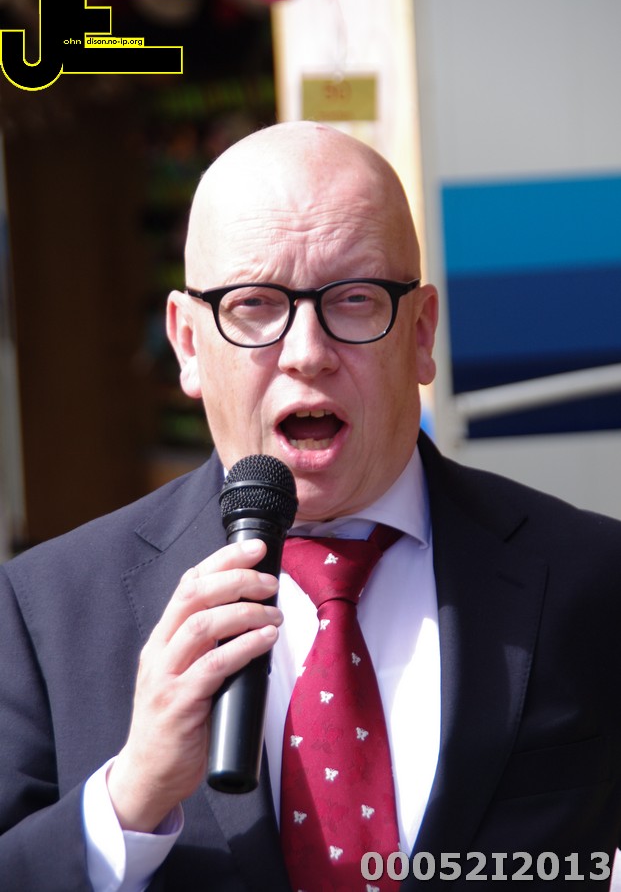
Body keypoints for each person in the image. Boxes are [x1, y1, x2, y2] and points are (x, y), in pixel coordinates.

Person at [1, 121, 620, 891]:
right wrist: (128, 801)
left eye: (354, 299)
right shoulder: (44, 610)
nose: (306, 352)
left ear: (420, 332)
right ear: (187, 343)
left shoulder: (594, 578)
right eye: (254, 304)